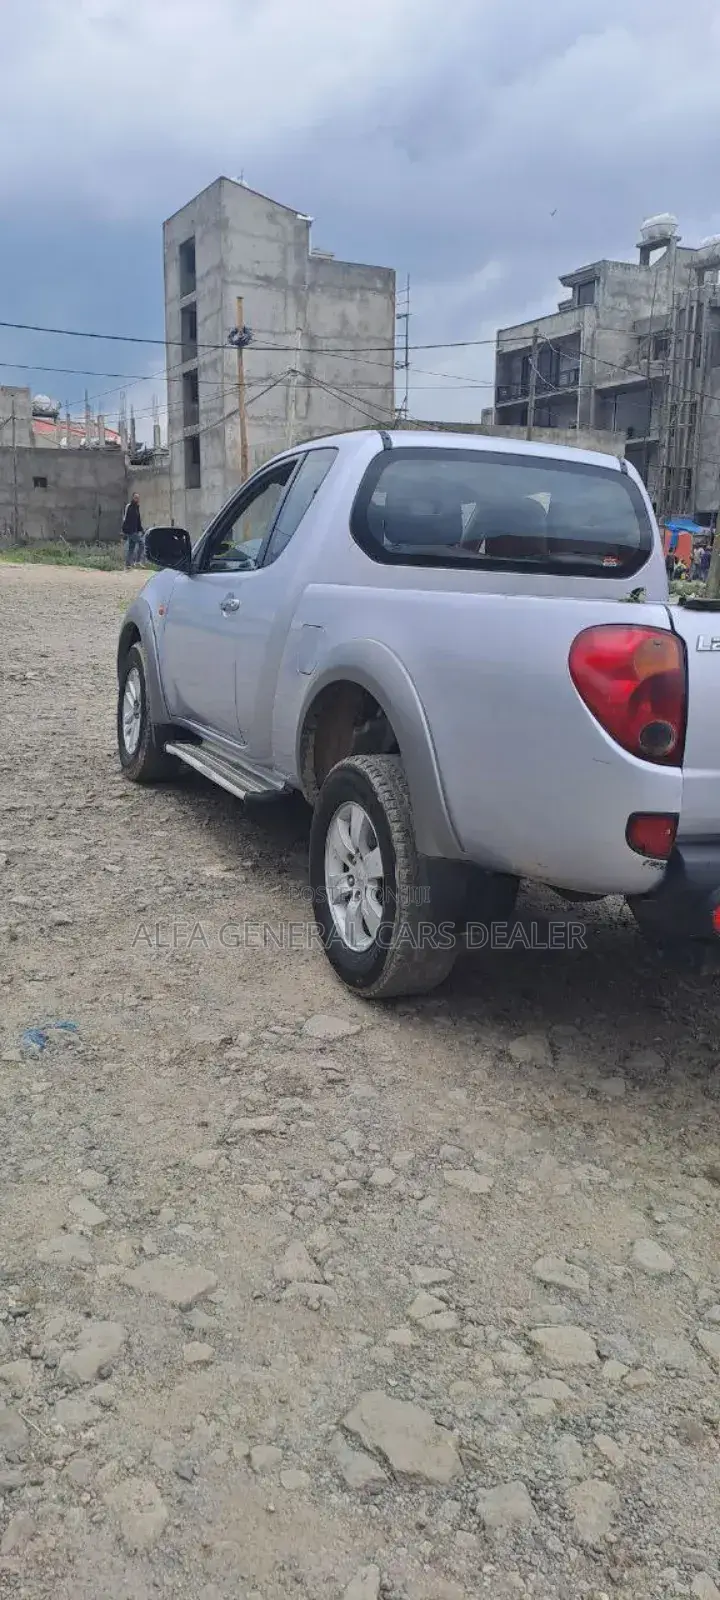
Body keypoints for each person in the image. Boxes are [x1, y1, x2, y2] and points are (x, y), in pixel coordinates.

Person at [122, 493, 144, 569]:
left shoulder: (137, 507)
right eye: (135, 497)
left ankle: (127, 565)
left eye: (138, 498)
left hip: (135, 530)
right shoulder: (128, 506)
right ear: (132, 498)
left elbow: (138, 520)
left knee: (131, 547)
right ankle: (137, 561)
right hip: (130, 531)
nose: (137, 499)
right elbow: (125, 519)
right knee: (141, 543)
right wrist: (125, 531)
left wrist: (141, 529)